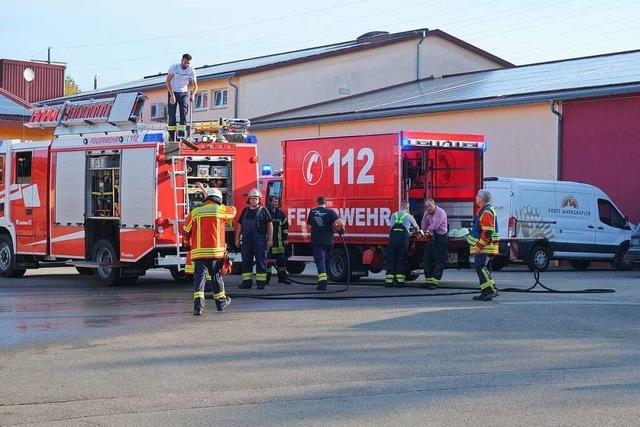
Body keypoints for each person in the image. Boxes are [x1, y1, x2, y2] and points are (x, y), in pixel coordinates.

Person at [183, 188, 236, 315]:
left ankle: (198, 307)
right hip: (215, 253)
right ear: (218, 200)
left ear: (206, 199)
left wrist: (187, 244)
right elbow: (233, 211)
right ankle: (221, 302)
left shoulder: (195, 212)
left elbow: (185, 230)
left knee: (199, 279)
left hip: (198, 254)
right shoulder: (220, 210)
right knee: (216, 276)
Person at [235, 189, 273, 289]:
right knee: (246, 261)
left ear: (259, 200)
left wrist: (270, 239)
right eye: (252, 198)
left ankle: (261, 283)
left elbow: (270, 225)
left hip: (260, 240)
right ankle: (246, 282)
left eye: (256, 198)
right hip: (247, 241)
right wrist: (237, 239)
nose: (254, 200)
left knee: (261, 261)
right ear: (249, 199)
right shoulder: (245, 211)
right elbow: (240, 225)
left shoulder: (264, 211)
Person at [306, 196, 345, 291]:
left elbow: (309, 226)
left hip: (317, 241)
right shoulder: (330, 212)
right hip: (328, 241)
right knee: (327, 260)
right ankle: (325, 278)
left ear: (317, 202)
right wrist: (342, 228)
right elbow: (339, 222)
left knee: (320, 261)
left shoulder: (312, 212)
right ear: (325, 202)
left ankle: (322, 283)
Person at [467, 189, 500, 301]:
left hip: (485, 245)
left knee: (480, 266)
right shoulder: (483, 210)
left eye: (478, 196)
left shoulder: (486, 211)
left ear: (482, 199)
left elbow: (487, 232)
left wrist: (479, 246)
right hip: (485, 244)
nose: (476, 197)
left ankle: (491, 289)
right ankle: (485, 291)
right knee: (480, 267)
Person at [384, 201, 420, 288]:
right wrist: (413, 233)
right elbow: (417, 228)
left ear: (400, 206)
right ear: (408, 207)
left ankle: (389, 281)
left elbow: (391, 228)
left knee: (391, 259)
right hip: (403, 241)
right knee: (401, 259)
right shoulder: (409, 216)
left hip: (393, 240)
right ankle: (400, 282)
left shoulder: (393, 215)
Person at [166, 53, 198, 141]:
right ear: (181, 61)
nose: (186, 65)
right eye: (185, 63)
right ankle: (172, 136)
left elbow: (195, 86)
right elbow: (168, 81)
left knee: (183, 114)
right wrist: (172, 95)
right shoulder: (174, 67)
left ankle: (181, 134)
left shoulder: (191, 70)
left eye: (188, 63)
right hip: (173, 91)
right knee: (172, 115)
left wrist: (193, 95)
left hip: (183, 93)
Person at [421, 198, 449, 290]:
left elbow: (435, 226)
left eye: (429, 206)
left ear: (434, 204)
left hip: (440, 238)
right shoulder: (428, 214)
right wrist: (424, 217)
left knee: (438, 261)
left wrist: (428, 230)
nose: (428, 208)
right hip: (431, 238)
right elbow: (423, 227)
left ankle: (434, 282)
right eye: (426, 207)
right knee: (427, 260)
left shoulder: (440, 212)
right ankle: (428, 281)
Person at [266, 195, 291, 285]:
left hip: (279, 243)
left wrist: (285, 238)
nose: (276, 203)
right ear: (270, 202)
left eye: (277, 202)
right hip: (269, 242)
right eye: (274, 202)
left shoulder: (281, 214)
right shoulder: (266, 213)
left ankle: (282, 278)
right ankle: (266, 280)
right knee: (267, 263)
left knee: (282, 262)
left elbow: (285, 227)